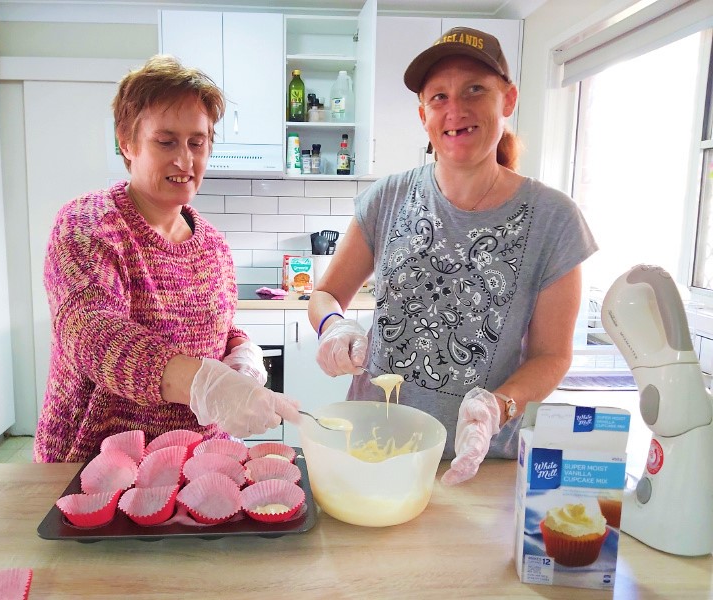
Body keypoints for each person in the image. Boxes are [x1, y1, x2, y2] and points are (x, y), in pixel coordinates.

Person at [309, 27, 597, 484]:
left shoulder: (554, 220)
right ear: (423, 114)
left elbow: (551, 355)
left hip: (479, 459)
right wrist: (334, 325)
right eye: (439, 97)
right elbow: (325, 294)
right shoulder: (389, 197)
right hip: (373, 448)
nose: (455, 110)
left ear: (508, 99)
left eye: (475, 90)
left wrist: (495, 406)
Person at [34, 55, 300, 463]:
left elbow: (218, 328)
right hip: (95, 466)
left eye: (197, 142)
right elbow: (91, 334)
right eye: (166, 141)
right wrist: (204, 384)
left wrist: (242, 352)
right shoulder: (87, 225)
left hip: (198, 463)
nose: (185, 160)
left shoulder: (212, 245)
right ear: (127, 141)